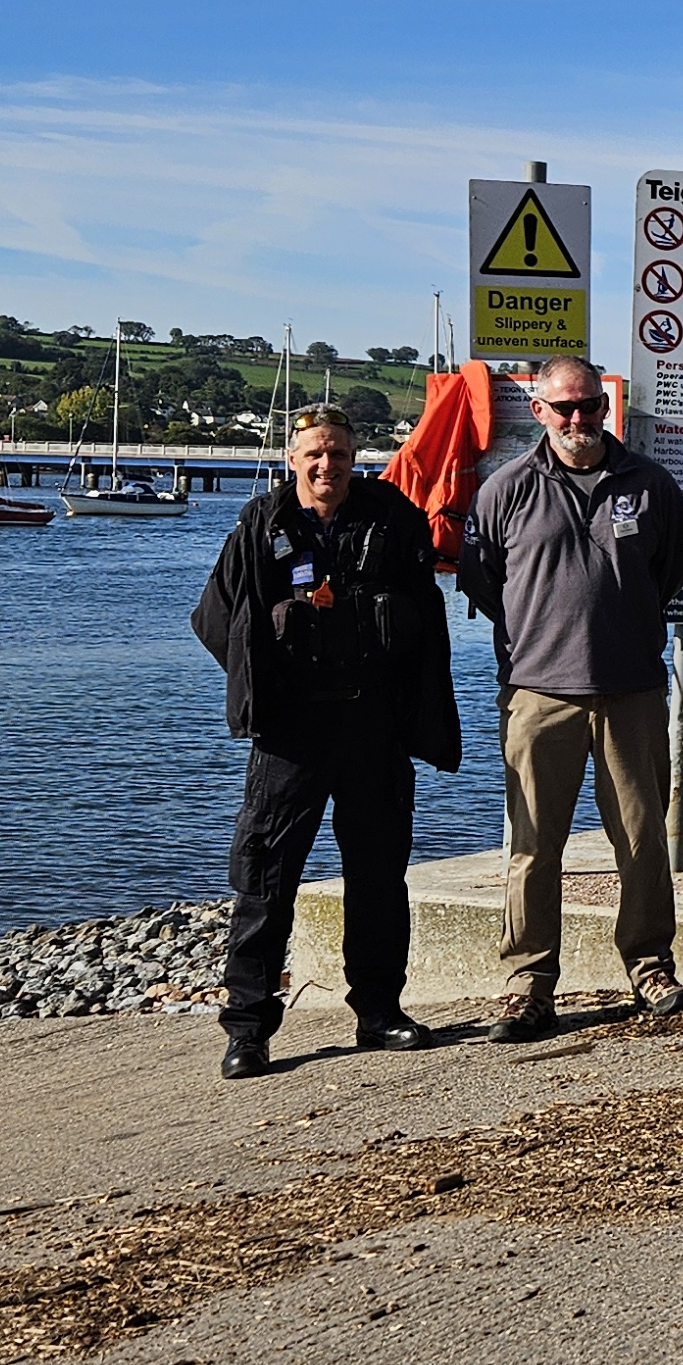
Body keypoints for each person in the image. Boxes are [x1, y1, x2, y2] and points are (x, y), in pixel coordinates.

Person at [188, 402, 462, 1080]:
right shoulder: (263, 525)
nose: (326, 465)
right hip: (292, 733)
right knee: (264, 879)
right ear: (292, 459)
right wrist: (265, 679)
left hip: (372, 726)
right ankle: (248, 1029)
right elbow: (215, 617)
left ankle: (378, 1012)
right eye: (313, 453)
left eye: (337, 452)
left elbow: (426, 622)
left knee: (378, 874)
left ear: (353, 457)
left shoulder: (392, 519)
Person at [458, 353, 683, 1043]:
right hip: (539, 695)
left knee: (643, 839)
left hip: (633, 693)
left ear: (605, 407)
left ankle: (650, 964)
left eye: (589, 405)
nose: (578, 419)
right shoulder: (505, 489)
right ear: (540, 412)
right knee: (534, 846)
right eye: (563, 407)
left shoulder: (651, 485)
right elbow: (483, 582)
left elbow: (668, 569)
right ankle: (528, 983)